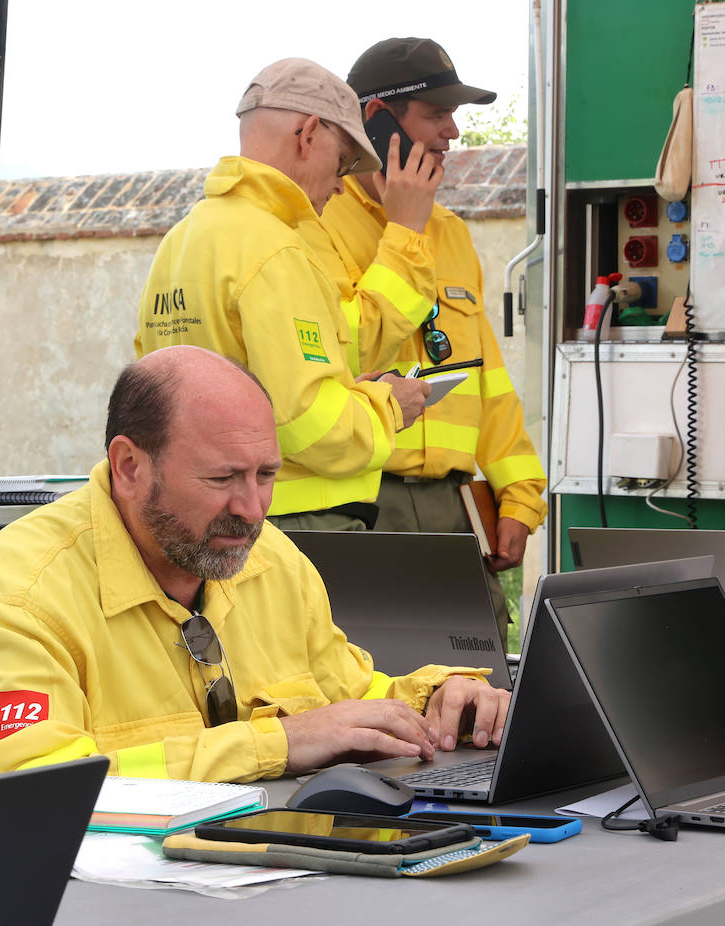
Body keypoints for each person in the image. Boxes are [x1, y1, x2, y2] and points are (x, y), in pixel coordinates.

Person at [0, 346, 509, 782]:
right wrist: (278, 744)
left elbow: (347, 696)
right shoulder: (22, 594)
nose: (251, 509)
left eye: (266, 475)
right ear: (128, 466)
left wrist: (439, 701)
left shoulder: (273, 561)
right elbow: (33, 785)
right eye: (222, 478)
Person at [134, 57, 437, 533]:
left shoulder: (181, 240)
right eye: (341, 163)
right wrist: (389, 405)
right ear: (308, 134)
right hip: (297, 521)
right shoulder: (277, 248)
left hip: (200, 519)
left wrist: (351, 389)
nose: (340, 186)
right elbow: (308, 423)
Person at [312, 37, 548, 638]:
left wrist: (519, 493)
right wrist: (405, 230)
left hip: (453, 509)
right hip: (359, 501)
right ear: (377, 118)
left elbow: (487, 380)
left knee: (481, 676)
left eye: (454, 116)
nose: (452, 133)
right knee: (371, 676)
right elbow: (347, 352)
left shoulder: (453, 233)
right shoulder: (315, 225)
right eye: (437, 114)